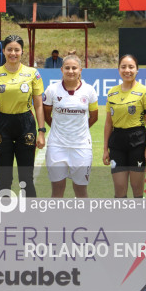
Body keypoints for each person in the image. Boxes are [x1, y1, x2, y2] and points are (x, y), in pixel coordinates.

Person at [0, 34, 45, 197]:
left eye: (16, 50)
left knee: (26, 179)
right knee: (4, 179)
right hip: (2, 125)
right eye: (9, 49)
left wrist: (41, 131)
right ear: (3, 51)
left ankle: (30, 217)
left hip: (26, 124)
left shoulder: (32, 73)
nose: (13, 53)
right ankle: (2, 217)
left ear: (22, 51)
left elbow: (38, 105)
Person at [42, 55, 98, 198]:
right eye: (67, 68)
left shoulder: (89, 90)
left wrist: (79, 130)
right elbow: (46, 115)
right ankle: (56, 220)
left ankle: (83, 220)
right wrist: (58, 128)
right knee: (57, 189)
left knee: (81, 190)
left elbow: (94, 116)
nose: (71, 71)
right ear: (61, 69)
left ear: (80, 70)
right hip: (57, 146)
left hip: (81, 147)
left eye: (74, 68)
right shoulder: (52, 90)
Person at [102, 54, 146, 198]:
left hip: (137, 142)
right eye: (123, 67)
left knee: (137, 188)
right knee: (119, 189)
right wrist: (105, 149)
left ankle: (138, 219)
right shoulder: (112, 92)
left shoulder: (144, 92)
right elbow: (109, 122)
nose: (127, 70)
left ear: (137, 70)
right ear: (118, 69)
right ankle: (122, 219)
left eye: (131, 67)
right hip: (117, 143)